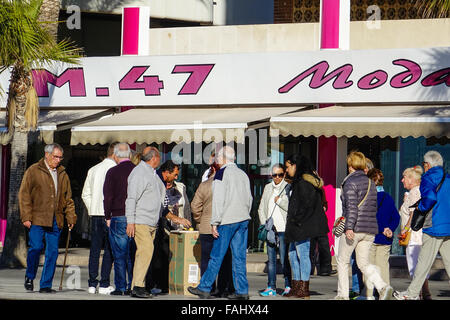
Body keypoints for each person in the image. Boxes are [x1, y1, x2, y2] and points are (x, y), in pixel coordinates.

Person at [188, 146, 253, 300]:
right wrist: (245, 213)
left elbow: (218, 201)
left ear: (222, 159)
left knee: (216, 256)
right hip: (242, 219)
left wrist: (214, 222)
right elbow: (249, 199)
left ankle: (204, 288)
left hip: (227, 220)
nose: (216, 160)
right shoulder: (243, 174)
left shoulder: (221, 174)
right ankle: (242, 291)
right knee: (239, 258)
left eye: (218, 157)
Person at [125, 146, 191, 298]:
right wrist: (130, 221)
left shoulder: (153, 175)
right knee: (146, 250)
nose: (160, 159)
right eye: (159, 157)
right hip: (141, 220)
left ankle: (137, 285)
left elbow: (160, 204)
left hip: (152, 222)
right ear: (153, 158)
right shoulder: (139, 173)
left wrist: (177, 218)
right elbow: (131, 199)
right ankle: (138, 286)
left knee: (143, 254)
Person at [334, 151, 393, 300]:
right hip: (369, 230)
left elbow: (352, 207)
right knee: (364, 263)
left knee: (342, 261)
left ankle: (342, 295)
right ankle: (383, 286)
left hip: (354, 229)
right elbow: (372, 208)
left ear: (350, 165)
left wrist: (349, 227)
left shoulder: (350, 182)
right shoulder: (370, 183)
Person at [20, 143, 77, 293]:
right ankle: (30, 275)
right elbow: (24, 194)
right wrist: (26, 216)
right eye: (55, 156)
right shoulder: (33, 170)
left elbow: (68, 198)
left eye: (60, 157)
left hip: (55, 219)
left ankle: (45, 285)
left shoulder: (63, 174)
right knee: (36, 247)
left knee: (52, 252)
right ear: (47, 154)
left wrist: (71, 217)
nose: (58, 160)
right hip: (37, 218)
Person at [394, 151, 450, 300]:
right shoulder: (448, 178)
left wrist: (422, 208)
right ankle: (413, 293)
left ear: (427, 165)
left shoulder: (428, 178)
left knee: (423, 261)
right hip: (448, 226)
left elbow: (430, 197)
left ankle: (411, 294)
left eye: (425, 165)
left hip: (433, 226)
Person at [284, 154, 329, 299]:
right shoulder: (298, 181)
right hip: (295, 225)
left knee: (302, 255)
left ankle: (304, 288)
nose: (286, 170)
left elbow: (306, 205)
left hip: (301, 225)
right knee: (292, 255)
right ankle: (296, 286)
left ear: (295, 165)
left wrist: (296, 220)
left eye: (288, 166)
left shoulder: (304, 182)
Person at [191, 161, 235, 297]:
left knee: (206, 259)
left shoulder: (204, 185)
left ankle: (208, 288)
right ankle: (222, 288)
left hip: (206, 227)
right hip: (223, 226)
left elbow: (194, 206)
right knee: (223, 259)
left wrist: (200, 219)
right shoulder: (227, 184)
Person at [148, 160, 192, 294]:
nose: (176, 177)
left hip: (174, 229)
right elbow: (162, 208)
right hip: (159, 225)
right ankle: (154, 283)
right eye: (175, 174)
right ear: (167, 172)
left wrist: (186, 223)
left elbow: (187, 208)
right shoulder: (156, 183)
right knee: (157, 256)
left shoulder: (180, 188)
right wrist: (177, 219)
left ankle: (165, 284)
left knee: (169, 255)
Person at [81, 142, 117, 295]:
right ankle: (104, 283)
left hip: (96, 214)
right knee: (109, 249)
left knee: (95, 249)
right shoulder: (116, 171)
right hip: (111, 215)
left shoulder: (92, 170)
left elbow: (85, 194)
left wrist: (92, 209)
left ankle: (91, 283)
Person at [362, 168, 400, 300]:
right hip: (386, 239)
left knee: (369, 267)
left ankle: (369, 293)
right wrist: (390, 229)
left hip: (372, 236)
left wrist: (382, 228)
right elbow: (396, 217)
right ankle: (385, 291)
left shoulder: (369, 198)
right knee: (383, 266)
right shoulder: (388, 198)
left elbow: (372, 217)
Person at [103, 143, 135, 296]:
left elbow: (108, 197)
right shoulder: (137, 170)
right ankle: (132, 285)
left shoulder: (112, 172)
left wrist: (107, 215)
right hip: (135, 217)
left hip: (118, 216)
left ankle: (121, 287)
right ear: (129, 155)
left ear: (115, 156)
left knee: (119, 254)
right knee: (132, 253)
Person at [257, 163, 291, 297]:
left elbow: (290, 208)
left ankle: (288, 285)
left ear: (284, 175)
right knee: (271, 260)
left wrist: (280, 201)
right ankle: (271, 286)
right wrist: (265, 223)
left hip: (283, 229)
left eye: (280, 175)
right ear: (271, 175)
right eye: (274, 175)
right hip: (271, 229)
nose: (277, 177)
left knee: (284, 259)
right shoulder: (267, 188)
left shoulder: (288, 187)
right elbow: (261, 208)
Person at [398, 165, 431, 299]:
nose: (402, 180)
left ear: (411, 179)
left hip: (414, 235)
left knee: (415, 266)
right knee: (419, 266)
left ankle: (416, 294)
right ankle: (425, 294)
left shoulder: (414, 192)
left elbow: (413, 214)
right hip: (418, 235)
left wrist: (405, 229)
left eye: (404, 177)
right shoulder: (416, 191)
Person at [310, 186, 336, 277]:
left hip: (319, 220)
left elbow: (324, 203)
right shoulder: (306, 187)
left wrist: (324, 206)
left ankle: (325, 269)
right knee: (311, 246)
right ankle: (309, 269)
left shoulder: (320, 188)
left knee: (324, 246)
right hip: (310, 220)